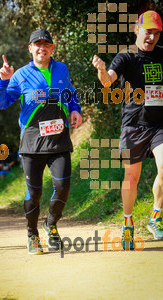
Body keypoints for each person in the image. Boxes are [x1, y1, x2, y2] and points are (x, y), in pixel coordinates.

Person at [0, 29, 82, 254]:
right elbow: (0, 103)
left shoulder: (61, 69)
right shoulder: (20, 75)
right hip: (32, 141)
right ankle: (32, 235)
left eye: (46, 44)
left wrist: (75, 109)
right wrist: (3, 81)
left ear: (52, 48)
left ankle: (50, 225)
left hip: (59, 139)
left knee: (62, 187)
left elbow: (70, 93)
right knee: (35, 194)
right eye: (37, 44)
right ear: (30, 48)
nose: (42, 47)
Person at [92, 10, 163, 250]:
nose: (151, 37)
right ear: (136, 30)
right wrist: (102, 69)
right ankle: (128, 221)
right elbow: (107, 81)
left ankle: (155, 216)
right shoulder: (126, 56)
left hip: (158, 125)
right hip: (131, 127)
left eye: (156, 33)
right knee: (130, 180)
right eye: (147, 32)